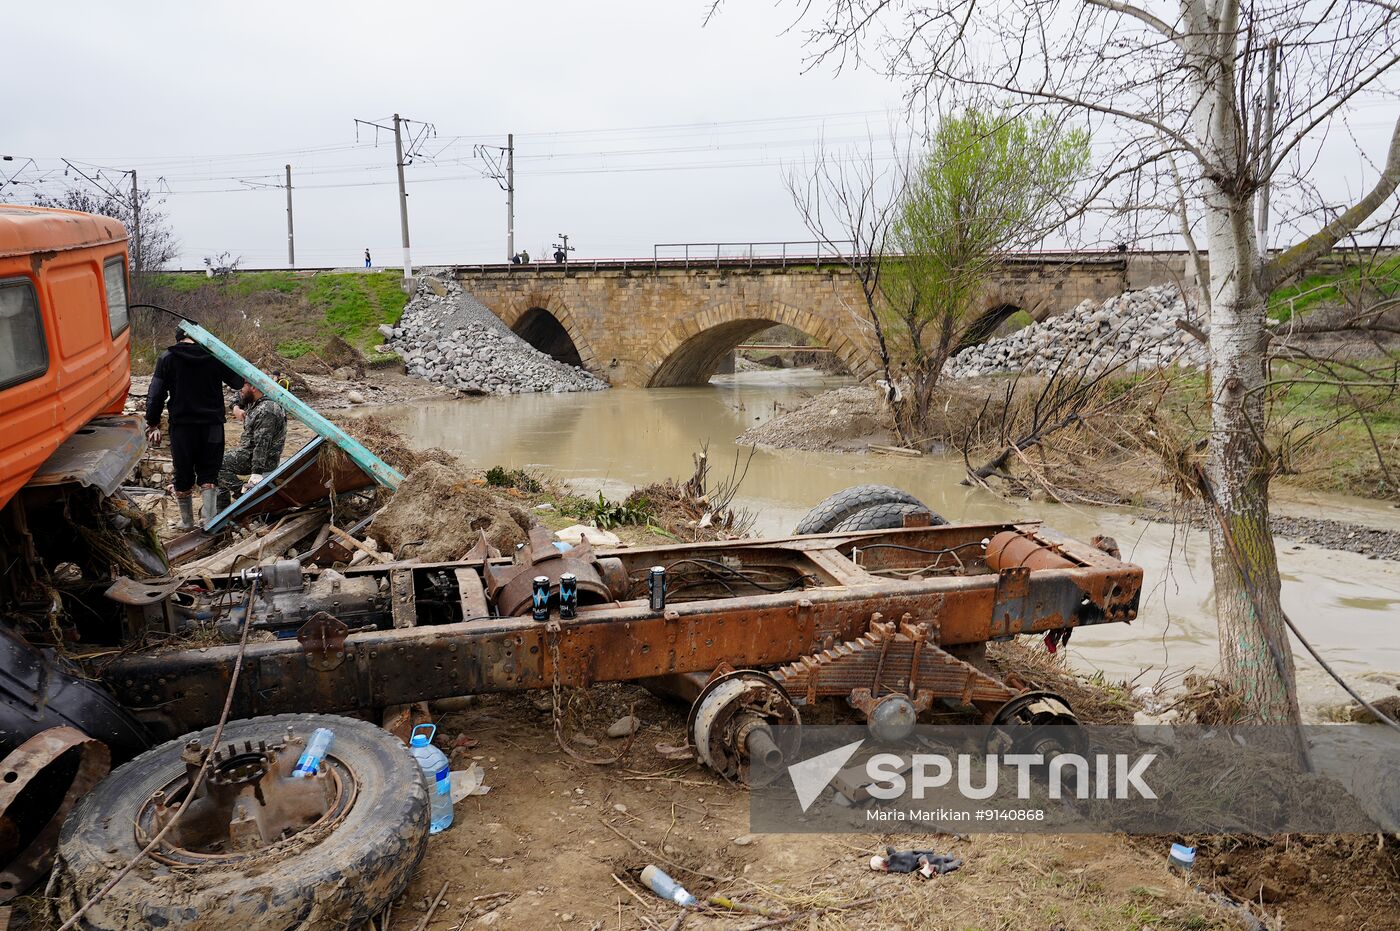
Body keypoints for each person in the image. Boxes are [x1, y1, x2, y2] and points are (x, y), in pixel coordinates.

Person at [145, 326, 245, 529]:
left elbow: (156, 395)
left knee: (183, 472)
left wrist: (152, 422)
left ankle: (187, 521)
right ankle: (209, 520)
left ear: (179, 338)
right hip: (212, 426)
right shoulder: (214, 356)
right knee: (209, 473)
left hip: (183, 426)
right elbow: (237, 381)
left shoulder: (167, 358)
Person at [217, 380, 288, 509]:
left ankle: (246, 495)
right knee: (215, 459)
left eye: (242, 388)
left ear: (253, 387)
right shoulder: (255, 400)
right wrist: (236, 408)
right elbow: (237, 398)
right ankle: (221, 508)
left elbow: (262, 445)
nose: (240, 392)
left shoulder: (266, 410)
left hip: (263, 459)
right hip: (248, 452)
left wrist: (256, 473)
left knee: (215, 464)